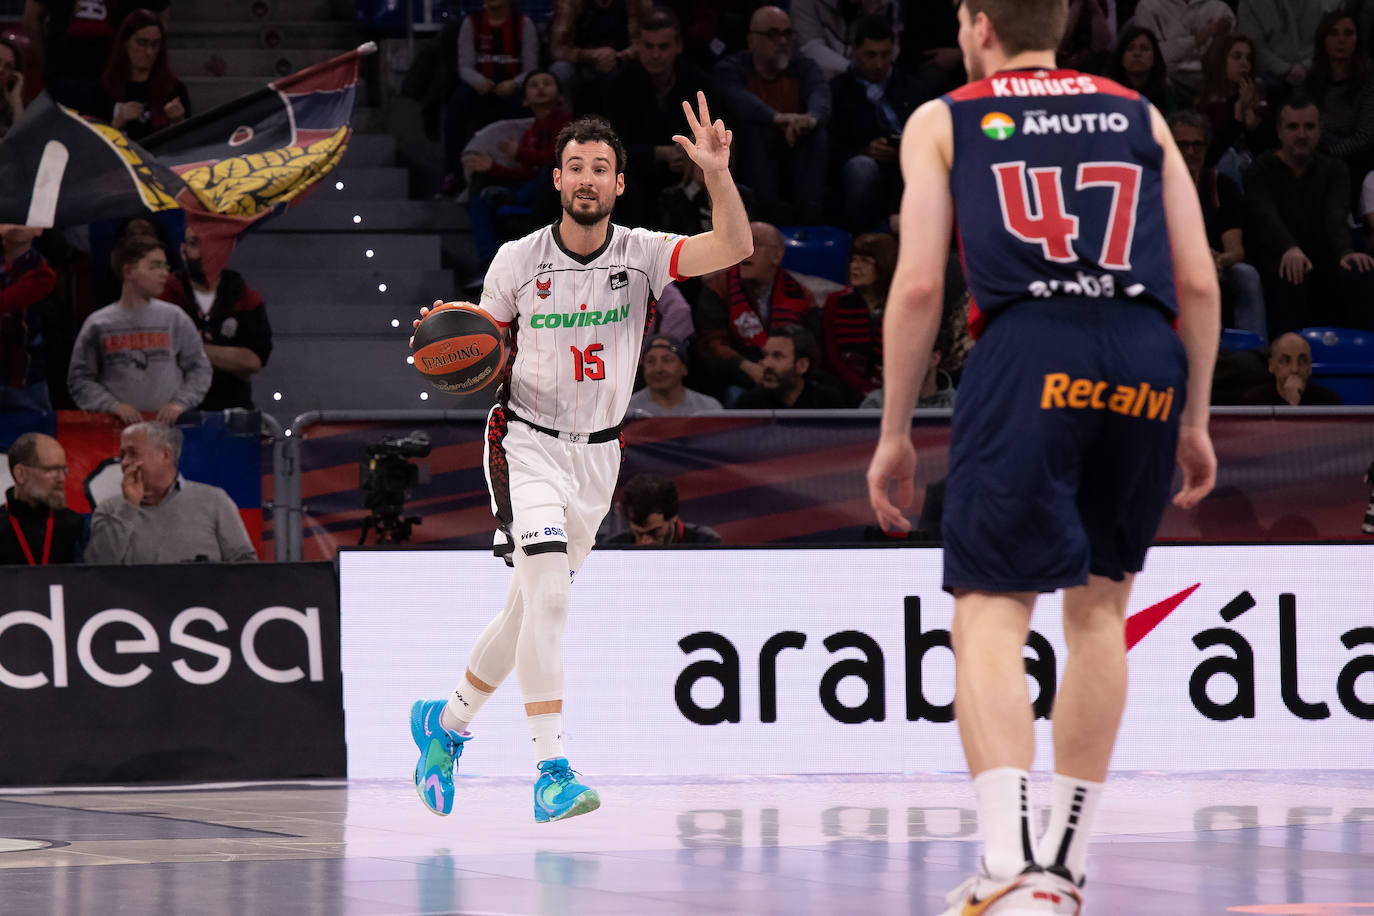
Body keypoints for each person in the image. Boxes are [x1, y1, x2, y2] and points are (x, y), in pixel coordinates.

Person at [866, 1, 1219, 912]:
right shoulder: (1137, 113)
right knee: (1100, 613)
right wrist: (1196, 417)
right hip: (1145, 354)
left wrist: (895, 431)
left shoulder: (946, 117)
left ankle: (1006, 865)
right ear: (1061, 25)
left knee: (990, 611)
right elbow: (1199, 279)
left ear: (977, 25)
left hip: (1030, 347)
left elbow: (915, 287)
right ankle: (1062, 871)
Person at [406, 98, 752, 824]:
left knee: (529, 607)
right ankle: (551, 771)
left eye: (601, 168)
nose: (587, 179)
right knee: (552, 602)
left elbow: (734, 247)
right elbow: (479, 349)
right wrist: (446, 338)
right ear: (557, 181)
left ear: (620, 184)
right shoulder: (516, 260)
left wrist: (717, 175)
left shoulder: (645, 252)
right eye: (574, 168)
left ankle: (448, 725)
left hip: (600, 459)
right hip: (524, 442)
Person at [1244, 94, 1374, 336]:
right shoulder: (1259, 170)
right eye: (1293, 127)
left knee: (1358, 270)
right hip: (1276, 259)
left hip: (1324, 258)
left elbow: (1336, 216)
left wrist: (1345, 253)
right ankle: (1287, 360)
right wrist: (1289, 247)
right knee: (1292, 273)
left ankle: (1363, 358)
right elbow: (1266, 216)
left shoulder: (1335, 170)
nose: (1301, 134)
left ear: (1319, 131)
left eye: (1309, 127)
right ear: (1279, 131)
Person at [67, 234, 212, 425]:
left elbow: (200, 369)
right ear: (128, 271)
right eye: (155, 265)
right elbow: (79, 379)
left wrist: (179, 404)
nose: (164, 273)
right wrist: (112, 406)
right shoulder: (99, 323)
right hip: (114, 430)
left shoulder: (174, 318)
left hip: (167, 430)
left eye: (165, 265)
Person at [601, 7, 718, 227]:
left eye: (663, 47)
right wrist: (658, 154)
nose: (655, 55)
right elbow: (612, 144)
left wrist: (689, 153)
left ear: (678, 46)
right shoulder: (618, 84)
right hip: (637, 170)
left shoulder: (698, 82)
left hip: (688, 167)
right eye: (648, 46)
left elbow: (711, 130)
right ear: (638, 46)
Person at [714, 6, 832, 224]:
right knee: (753, 128)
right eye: (772, 34)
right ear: (751, 40)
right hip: (754, 156)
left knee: (817, 134)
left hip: (797, 148)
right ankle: (765, 218)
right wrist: (778, 119)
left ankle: (809, 218)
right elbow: (739, 101)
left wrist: (809, 120)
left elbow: (821, 100)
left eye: (788, 34)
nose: (783, 41)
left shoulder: (804, 67)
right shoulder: (732, 68)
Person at [85, 421, 258, 564]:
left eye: (133, 453)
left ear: (165, 455)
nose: (125, 463)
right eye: (122, 455)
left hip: (202, 604)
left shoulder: (214, 500)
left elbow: (246, 565)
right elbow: (96, 568)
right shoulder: (109, 509)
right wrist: (128, 507)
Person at [694, 221, 821, 401]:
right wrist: (749, 367)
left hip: (788, 375)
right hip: (736, 376)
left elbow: (811, 347)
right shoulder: (718, 289)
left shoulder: (801, 296)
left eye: (753, 243)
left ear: (776, 255)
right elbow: (711, 345)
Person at [829, 16, 932, 234]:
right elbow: (830, 148)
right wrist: (866, 150)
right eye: (871, 55)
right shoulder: (837, 91)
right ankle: (860, 240)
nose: (879, 64)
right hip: (859, 173)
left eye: (886, 55)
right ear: (854, 52)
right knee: (861, 167)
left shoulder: (913, 88)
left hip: (907, 166)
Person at [1169, 111, 1268, 337]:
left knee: (1246, 275)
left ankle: (1253, 354)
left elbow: (1236, 250)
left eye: (1197, 145)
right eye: (1182, 145)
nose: (1191, 152)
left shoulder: (1220, 185)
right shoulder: (1153, 185)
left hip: (1215, 266)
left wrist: (1216, 260)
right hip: (1167, 265)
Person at [160, 224, 273, 411]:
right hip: (173, 413)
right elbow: (160, 354)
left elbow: (253, 361)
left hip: (233, 413)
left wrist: (191, 347)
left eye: (211, 244)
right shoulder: (164, 295)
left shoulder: (246, 297)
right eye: (195, 243)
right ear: (183, 251)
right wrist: (230, 361)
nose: (204, 252)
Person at [439, 0, 540, 197]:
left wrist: (515, 83)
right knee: (457, 104)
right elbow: (465, 66)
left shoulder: (523, 24)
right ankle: (454, 174)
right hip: (480, 86)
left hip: (513, 86)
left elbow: (531, 68)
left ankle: (520, 172)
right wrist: (479, 81)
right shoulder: (471, 23)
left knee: (526, 105)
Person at [83, 10, 190, 142]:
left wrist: (178, 122)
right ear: (126, 42)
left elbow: (189, 148)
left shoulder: (174, 90)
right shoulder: (102, 92)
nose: (149, 52)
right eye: (142, 42)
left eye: (155, 44)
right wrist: (117, 123)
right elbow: (91, 147)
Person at [822, 232, 898, 397]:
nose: (855, 266)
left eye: (865, 261)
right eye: (853, 260)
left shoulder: (899, 305)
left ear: (884, 265)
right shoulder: (835, 301)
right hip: (845, 391)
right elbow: (832, 356)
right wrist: (863, 388)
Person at [1307, 11, 1374, 191]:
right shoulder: (1308, 82)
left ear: (1357, 39)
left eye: (1348, 33)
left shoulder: (1369, 83)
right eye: (1334, 33)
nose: (1341, 40)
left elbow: (1365, 136)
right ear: (1323, 39)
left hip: (1354, 160)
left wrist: (1329, 154)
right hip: (1314, 157)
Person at [548, 0, 650, 114]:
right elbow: (558, 48)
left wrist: (618, 56)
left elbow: (646, 41)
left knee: (643, 67)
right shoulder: (570, 3)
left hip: (622, 61)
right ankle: (565, 127)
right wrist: (592, 55)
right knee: (560, 70)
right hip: (579, 63)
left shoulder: (636, 3)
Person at [0, 432, 88, 565]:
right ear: (21, 474)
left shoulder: (75, 525)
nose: (61, 478)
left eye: (63, 469)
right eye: (51, 470)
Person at [1196, 32, 1273, 179]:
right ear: (1219, 60)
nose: (1245, 63)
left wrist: (1253, 125)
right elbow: (1211, 156)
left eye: (1248, 58)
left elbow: (1269, 150)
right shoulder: (1206, 108)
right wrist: (1237, 116)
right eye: (1237, 57)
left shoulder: (1257, 101)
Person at [0, 225, 57, 412]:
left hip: (24, 375)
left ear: (39, 229)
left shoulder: (43, 272)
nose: (17, 225)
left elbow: (6, 301)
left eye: (26, 220)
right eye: (10, 218)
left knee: (33, 436)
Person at [1130, 0, 1234, 92]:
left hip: (1212, 85)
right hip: (1167, 85)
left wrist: (1221, 39)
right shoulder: (1148, 6)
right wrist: (1196, 40)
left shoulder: (1220, 9)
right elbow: (1152, 56)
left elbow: (1234, 58)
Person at [734, 325, 848, 408]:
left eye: (777, 356)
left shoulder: (827, 402)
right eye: (765, 355)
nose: (766, 364)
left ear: (802, 365)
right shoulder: (749, 404)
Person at [1239, 0, 1344, 89]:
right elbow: (1253, 46)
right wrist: (1286, 70)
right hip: (1269, 82)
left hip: (1318, 75)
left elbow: (1330, 38)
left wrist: (1306, 66)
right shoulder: (1250, 3)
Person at [790, 0, 903, 80]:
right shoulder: (804, 3)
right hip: (824, 79)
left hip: (876, 79)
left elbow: (892, 49)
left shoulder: (886, 3)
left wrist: (871, 16)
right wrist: (856, 70)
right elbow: (810, 49)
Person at [600, 473, 721, 545]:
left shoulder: (705, 542)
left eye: (654, 532)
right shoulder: (614, 546)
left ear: (673, 516)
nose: (645, 542)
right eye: (638, 533)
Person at [626, 334, 722, 416]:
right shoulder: (626, 411)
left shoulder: (709, 410)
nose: (658, 369)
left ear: (684, 369)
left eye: (667, 360)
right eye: (650, 361)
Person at [1241, 331, 1343, 404]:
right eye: (1286, 361)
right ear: (1271, 365)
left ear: (1310, 367)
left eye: (1303, 361)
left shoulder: (1329, 402)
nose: (1295, 369)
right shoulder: (1254, 402)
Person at [1107, 27, 1181, 114]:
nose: (1137, 53)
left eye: (1144, 48)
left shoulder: (1168, 91)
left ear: (1155, 57)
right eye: (1130, 48)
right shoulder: (1108, 92)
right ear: (1121, 57)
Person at [0, 35, 26, 139]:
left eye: (8, 67)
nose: (1, 69)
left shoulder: (15, 106)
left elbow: (22, 144)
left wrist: (16, 102)